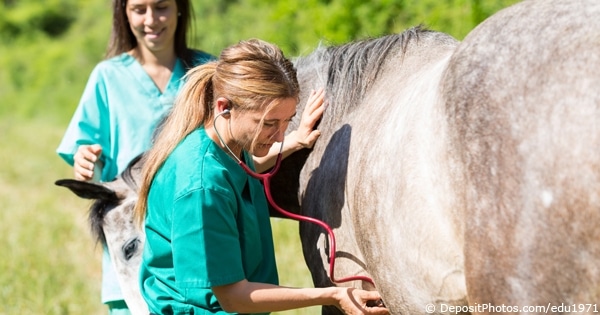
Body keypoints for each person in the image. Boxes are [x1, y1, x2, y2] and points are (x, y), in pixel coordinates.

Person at [57, 0, 319, 313]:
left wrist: (293, 141)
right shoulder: (109, 79)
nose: (152, 19)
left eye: (161, 7)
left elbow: (235, 165)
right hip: (147, 239)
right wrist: (86, 160)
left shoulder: (209, 85)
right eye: (139, 9)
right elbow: (231, 295)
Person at [133, 39, 389, 315]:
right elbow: (234, 297)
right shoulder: (201, 188)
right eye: (269, 123)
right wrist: (334, 294)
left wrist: (295, 140)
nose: (278, 134)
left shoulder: (223, 146)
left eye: (286, 120)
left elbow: (245, 167)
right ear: (224, 107)